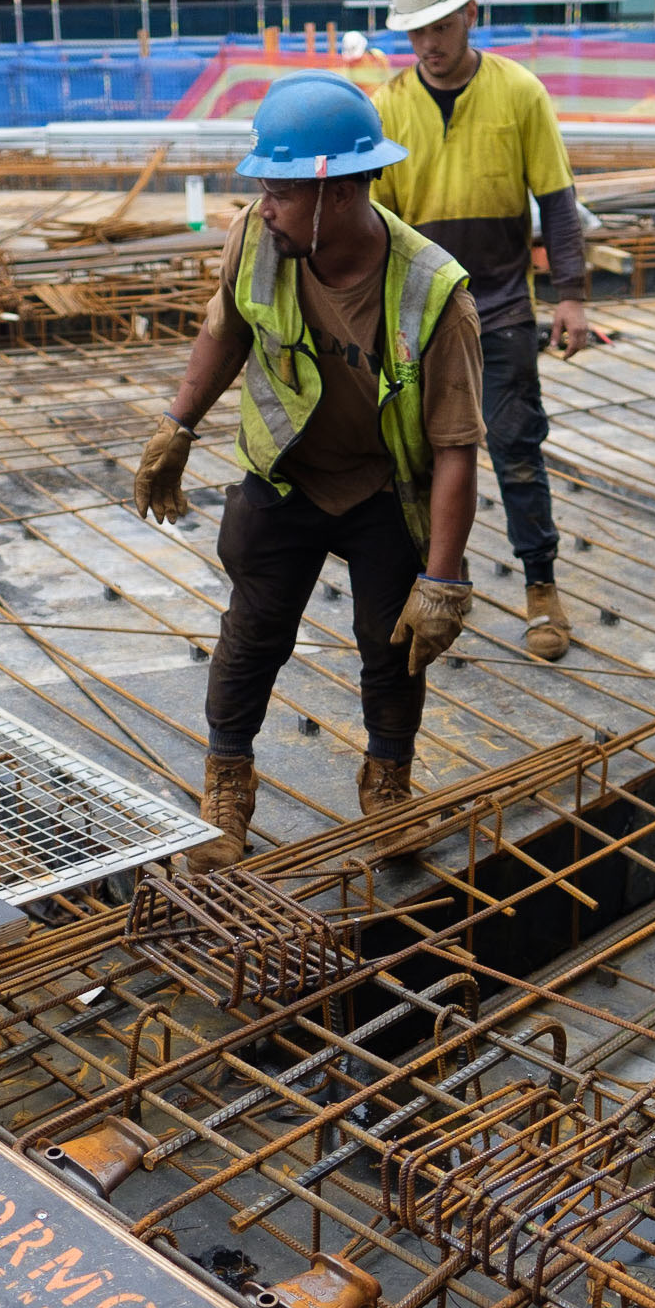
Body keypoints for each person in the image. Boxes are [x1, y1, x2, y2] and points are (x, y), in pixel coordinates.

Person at [130, 72, 483, 870]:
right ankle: (227, 784)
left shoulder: (435, 294)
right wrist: (176, 425)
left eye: (281, 192)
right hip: (284, 473)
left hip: (384, 486)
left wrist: (445, 578)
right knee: (252, 634)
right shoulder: (259, 240)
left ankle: (387, 785)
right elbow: (227, 332)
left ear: (340, 192)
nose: (264, 206)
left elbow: (458, 445)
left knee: (391, 644)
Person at [370, 0, 588, 663]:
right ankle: (438, 582)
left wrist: (573, 296)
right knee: (417, 456)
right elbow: (378, 229)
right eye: (417, 31)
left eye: (440, 25)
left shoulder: (519, 93)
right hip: (419, 320)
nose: (429, 44)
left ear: (470, 13)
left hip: (500, 310)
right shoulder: (389, 108)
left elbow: (556, 202)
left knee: (518, 448)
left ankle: (540, 587)